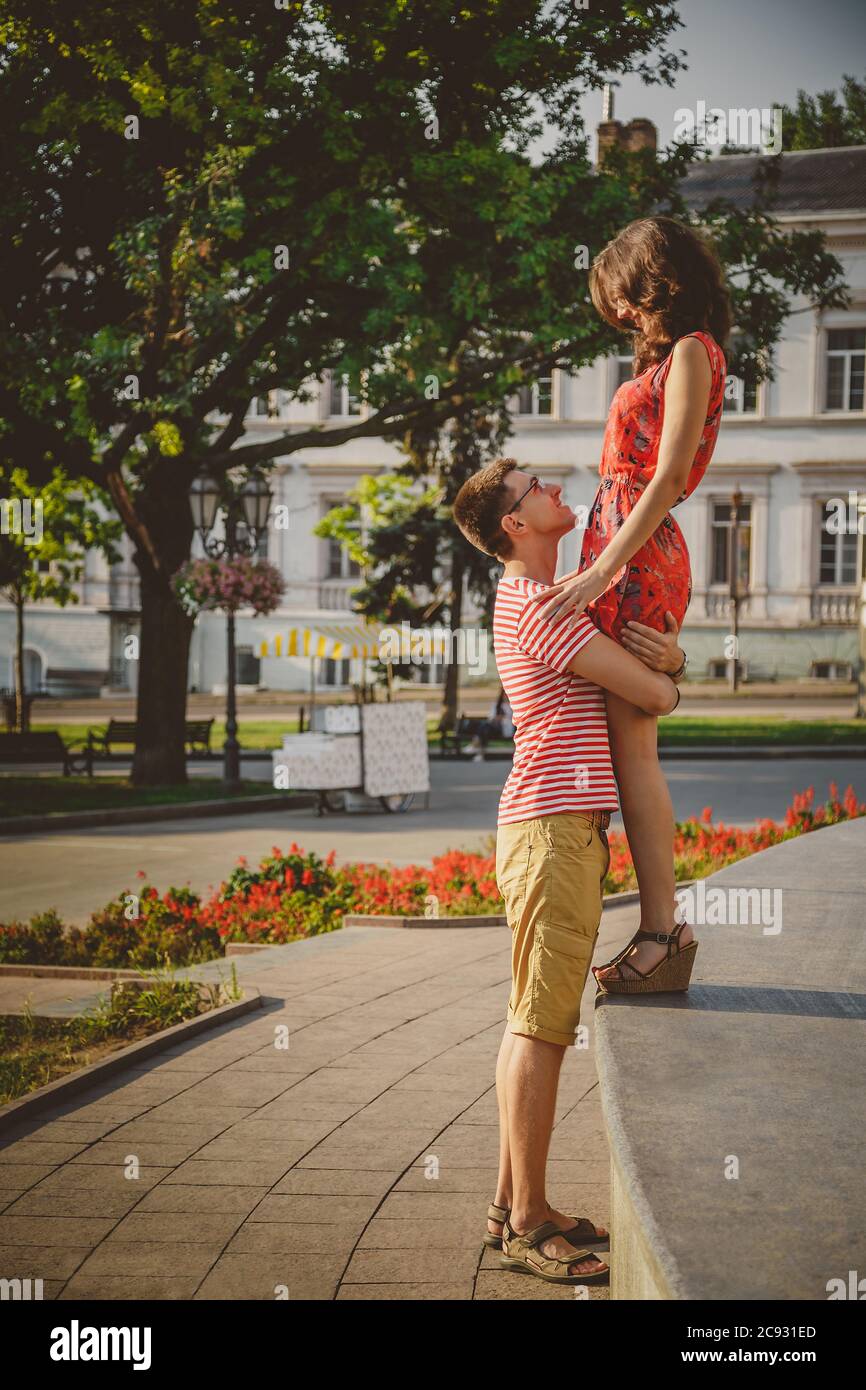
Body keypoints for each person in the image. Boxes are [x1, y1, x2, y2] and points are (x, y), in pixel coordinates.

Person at [452, 457, 691, 1285]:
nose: (556, 488)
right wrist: (674, 665)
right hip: (552, 836)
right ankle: (526, 1226)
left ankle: (512, 1202)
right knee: (542, 1027)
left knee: (532, 1016)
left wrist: (665, 663)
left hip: (553, 832)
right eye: (535, 488)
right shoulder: (543, 607)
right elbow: (653, 699)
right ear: (515, 525)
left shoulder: (540, 602)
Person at [525, 215, 729, 986]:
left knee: (634, 752)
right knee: (620, 746)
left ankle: (660, 934)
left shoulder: (690, 353)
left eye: (620, 295)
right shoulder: (675, 355)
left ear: (650, 280)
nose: (616, 312)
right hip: (624, 549)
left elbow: (670, 476)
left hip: (635, 556)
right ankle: (651, 930)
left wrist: (598, 572)